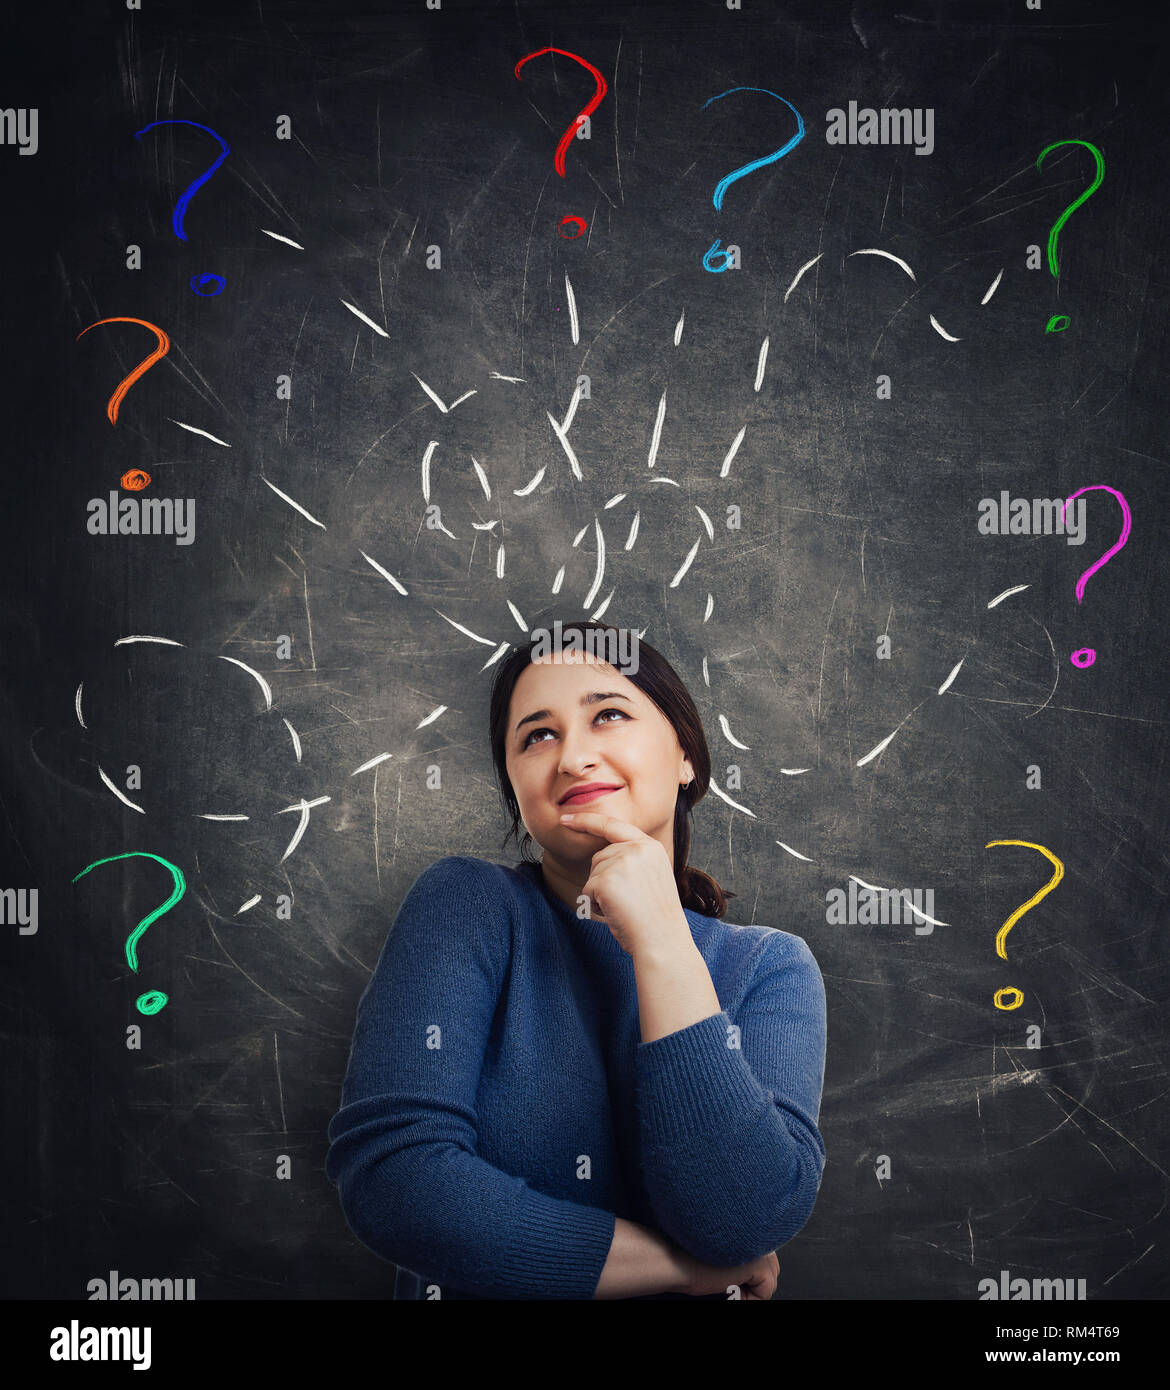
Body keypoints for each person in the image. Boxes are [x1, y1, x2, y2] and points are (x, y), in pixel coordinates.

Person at [325, 618, 827, 1299]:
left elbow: (739, 1220)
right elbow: (396, 1181)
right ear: (515, 787)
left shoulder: (771, 967)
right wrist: (684, 1270)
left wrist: (659, 937)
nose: (571, 758)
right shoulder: (467, 906)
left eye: (609, 715)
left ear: (686, 755)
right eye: (538, 736)